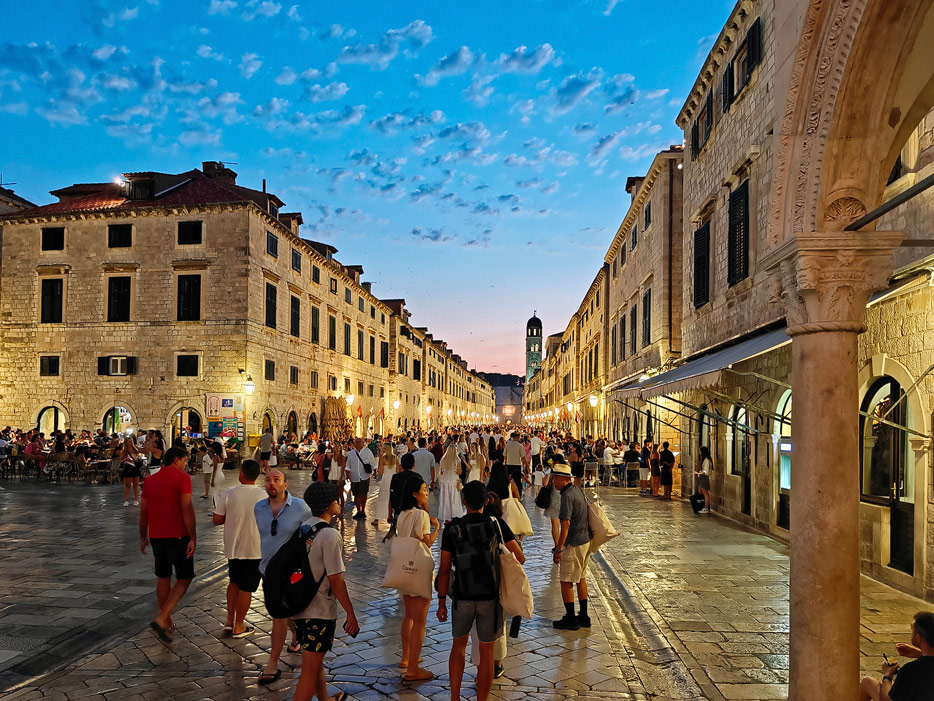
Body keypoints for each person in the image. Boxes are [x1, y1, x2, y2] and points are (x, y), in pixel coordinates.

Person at [437, 481, 523, 701]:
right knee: (486, 655)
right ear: (486, 501)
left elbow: (445, 570)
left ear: (463, 501)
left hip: (462, 596)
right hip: (489, 597)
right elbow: (520, 558)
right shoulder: (497, 525)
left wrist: (440, 602)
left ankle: (455, 697)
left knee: (458, 648)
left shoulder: (452, 528)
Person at [292, 481, 359, 701]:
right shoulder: (329, 535)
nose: (339, 502)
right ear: (328, 504)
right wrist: (350, 612)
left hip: (300, 607)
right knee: (309, 671)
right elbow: (336, 579)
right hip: (319, 611)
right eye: (335, 499)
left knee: (314, 661)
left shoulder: (302, 529)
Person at [254, 469, 312, 684]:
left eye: (276, 480)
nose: (271, 483)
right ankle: (295, 636)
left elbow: (310, 535)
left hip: (291, 572)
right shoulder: (258, 508)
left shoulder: (300, 508)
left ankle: (272, 662)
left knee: (279, 614)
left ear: (285, 485)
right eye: (268, 480)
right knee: (280, 611)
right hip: (267, 569)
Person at [138, 447, 197, 643]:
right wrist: (193, 536)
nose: (185, 465)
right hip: (178, 535)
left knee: (163, 576)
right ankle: (162, 617)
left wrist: (142, 536)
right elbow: (187, 508)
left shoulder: (150, 480)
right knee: (184, 577)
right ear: (177, 460)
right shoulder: (182, 479)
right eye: (184, 461)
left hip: (157, 536)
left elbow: (143, 511)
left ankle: (167, 621)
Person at [392, 474, 440, 681]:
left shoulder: (401, 514)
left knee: (409, 615)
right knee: (420, 619)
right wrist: (437, 527)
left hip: (403, 566)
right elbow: (426, 542)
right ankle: (413, 668)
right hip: (418, 567)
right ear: (414, 494)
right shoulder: (420, 515)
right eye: (423, 489)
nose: (426, 492)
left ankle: (406, 657)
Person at [212, 459, 266, 638]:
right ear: (257, 475)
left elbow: (217, 520)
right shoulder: (263, 496)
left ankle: (229, 621)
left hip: (233, 547)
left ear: (241, 474)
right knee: (247, 588)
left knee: (234, 582)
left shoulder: (228, 494)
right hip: (254, 547)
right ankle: (240, 625)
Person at [551, 462, 592, 631]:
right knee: (580, 578)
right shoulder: (577, 489)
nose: (553, 481)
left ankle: (570, 619)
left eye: (555, 478)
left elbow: (565, 524)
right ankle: (583, 616)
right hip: (585, 540)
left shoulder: (567, 496)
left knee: (566, 580)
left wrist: (559, 549)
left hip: (574, 543)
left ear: (563, 479)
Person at [859, 611, 934, 700]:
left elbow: (888, 699)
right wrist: (918, 653)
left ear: (918, 637)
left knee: (867, 682)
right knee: (868, 682)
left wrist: (888, 674)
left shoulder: (911, 670)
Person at [344, 436, 377, 520]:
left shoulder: (367, 451)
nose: (358, 444)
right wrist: (347, 475)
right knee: (356, 494)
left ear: (363, 443)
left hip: (364, 476)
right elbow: (348, 465)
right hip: (354, 477)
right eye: (357, 442)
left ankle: (363, 510)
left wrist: (374, 472)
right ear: (354, 444)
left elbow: (373, 462)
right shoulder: (351, 453)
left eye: (360, 442)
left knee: (363, 493)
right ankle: (359, 511)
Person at [372, 443, 398, 526]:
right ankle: (392, 516)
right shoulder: (395, 458)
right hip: (393, 480)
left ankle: (377, 518)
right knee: (393, 499)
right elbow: (397, 470)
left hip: (385, 480)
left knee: (381, 499)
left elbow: (381, 472)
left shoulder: (383, 458)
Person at [437, 444, 464, 524]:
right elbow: (460, 472)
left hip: (445, 481)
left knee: (445, 500)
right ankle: (454, 516)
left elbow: (441, 471)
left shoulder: (443, 459)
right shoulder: (457, 459)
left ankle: (446, 518)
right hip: (453, 481)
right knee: (454, 500)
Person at [120, 435, 141, 507]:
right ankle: (126, 500)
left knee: (136, 484)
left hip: (135, 467)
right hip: (128, 467)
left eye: (131, 441)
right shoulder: (124, 451)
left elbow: (138, 456)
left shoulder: (136, 450)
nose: (131, 443)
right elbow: (121, 460)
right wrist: (125, 460)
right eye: (129, 442)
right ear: (126, 443)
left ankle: (136, 499)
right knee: (127, 485)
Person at [503, 432, 525, 498]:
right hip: (517, 465)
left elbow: (505, 455)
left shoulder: (508, 445)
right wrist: (525, 465)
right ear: (517, 437)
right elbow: (523, 456)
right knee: (517, 480)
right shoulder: (519, 446)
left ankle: (507, 492)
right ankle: (518, 493)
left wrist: (505, 463)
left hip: (509, 464)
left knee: (508, 479)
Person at [695, 445, 713, 513]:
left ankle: (706, 508)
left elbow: (705, 471)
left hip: (704, 478)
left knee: (705, 493)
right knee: (701, 492)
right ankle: (703, 506)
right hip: (702, 478)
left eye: (700, 451)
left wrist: (697, 473)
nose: (699, 453)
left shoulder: (706, 460)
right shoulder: (705, 459)